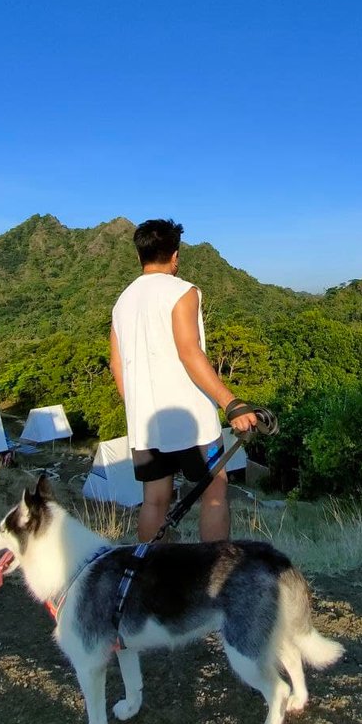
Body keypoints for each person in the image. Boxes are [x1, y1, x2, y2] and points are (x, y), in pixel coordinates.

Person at [109, 218, 257, 542]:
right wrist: (232, 403)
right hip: (192, 423)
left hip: (145, 424)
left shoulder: (122, 302)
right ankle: (214, 575)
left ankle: (150, 578)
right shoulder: (183, 292)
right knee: (214, 490)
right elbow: (189, 352)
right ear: (175, 256)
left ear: (139, 256)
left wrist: (136, 407)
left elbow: (116, 364)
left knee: (154, 500)